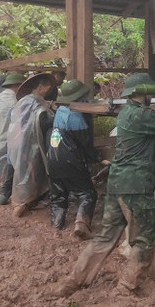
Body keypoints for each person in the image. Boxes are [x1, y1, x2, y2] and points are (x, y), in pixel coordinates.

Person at [54, 73, 155, 297]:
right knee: (146, 238)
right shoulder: (141, 115)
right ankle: (126, 286)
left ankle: (74, 280)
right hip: (136, 185)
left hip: (117, 182)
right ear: (144, 92)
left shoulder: (127, 113)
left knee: (105, 236)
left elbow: (149, 119)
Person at [46, 79, 110, 238]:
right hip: (71, 160)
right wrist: (98, 158)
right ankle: (81, 225)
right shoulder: (77, 116)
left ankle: (56, 227)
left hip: (52, 159)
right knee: (87, 193)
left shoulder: (60, 110)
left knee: (58, 196)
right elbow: (85, 144)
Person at [0, 73, 56, 216]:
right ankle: (21, 205)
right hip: (29, 146)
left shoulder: (22, 102)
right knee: (26, 176)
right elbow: (40, 124)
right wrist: (56, 116)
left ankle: (2, 197)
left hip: (14, 143)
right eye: (47, 88)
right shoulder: (35, 103)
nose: (48, 91)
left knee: (13, 173)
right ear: (40, 87)